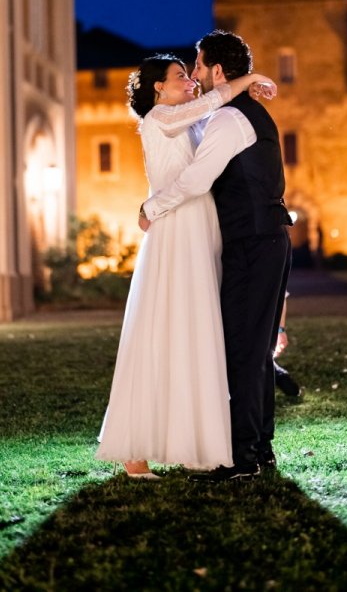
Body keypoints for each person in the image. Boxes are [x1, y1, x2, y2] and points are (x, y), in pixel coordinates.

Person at [95, 53, 276, 478]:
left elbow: (212, 123)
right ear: (158, 87)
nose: (189, 80)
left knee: (194, 332)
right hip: (176, 229)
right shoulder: (160, 117)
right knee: (165, 329)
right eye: (180, 76)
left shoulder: (189, 120)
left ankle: (188, 442)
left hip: (200, 227)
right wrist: (250, 77)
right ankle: (135, 450)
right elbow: (213, 101)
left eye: (190, 72)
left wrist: (246, 88)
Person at [141, 30, 292, 481]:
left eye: (200, 65)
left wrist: (151, 208)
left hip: (252, 243)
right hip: (267, 238)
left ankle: (244, 458)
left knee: (244, 351)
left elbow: (196, 180)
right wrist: (250, 84)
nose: (196, 74)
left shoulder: (228, 121)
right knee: (257, 351)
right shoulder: (241, 113)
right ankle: (259, 451)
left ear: (219, 72)